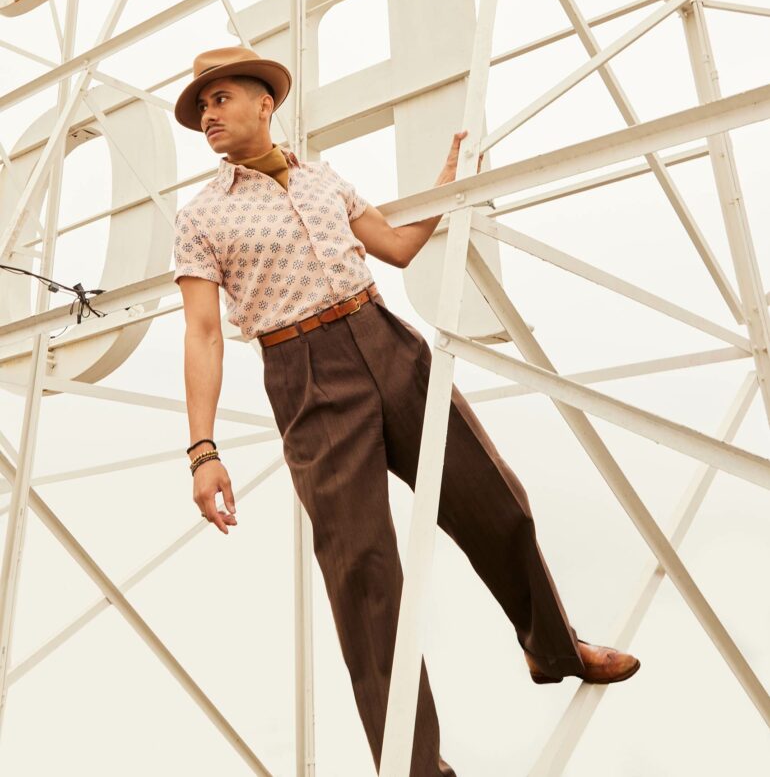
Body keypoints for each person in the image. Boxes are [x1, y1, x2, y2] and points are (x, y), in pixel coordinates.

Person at [172, 46, 641, 776]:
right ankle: (417, 767)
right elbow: (202, 333)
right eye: (201, 106)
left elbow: (392, 245)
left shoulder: (323, 175)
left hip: (388, 340)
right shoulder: (201, 216)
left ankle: (552, 648)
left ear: (266, 102)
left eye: (221, 98)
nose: (209, 115)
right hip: (305, 376)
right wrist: (202, 450)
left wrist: (441, 189)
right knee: (364, 574)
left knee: (497, 500)